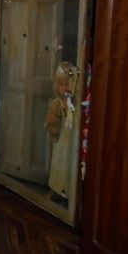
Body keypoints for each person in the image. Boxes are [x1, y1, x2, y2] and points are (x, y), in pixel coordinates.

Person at [44, 61, 77, 202]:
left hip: (71, 140)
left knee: (70, 165)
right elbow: (51, 120)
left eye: (68, 84)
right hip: (61, 138)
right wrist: (53, 122)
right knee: (58, 163)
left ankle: (68, 192)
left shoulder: (74, 103)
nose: (65, 88)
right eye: (62, 85)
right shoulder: (57, 103)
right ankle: (54, 189)